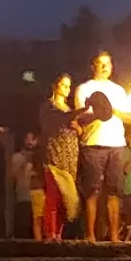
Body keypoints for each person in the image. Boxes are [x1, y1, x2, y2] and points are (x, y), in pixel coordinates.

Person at [75, 53, 131, 243]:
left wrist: (112, 110)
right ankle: (91, 234)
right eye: (100, 64)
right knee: (92, 190)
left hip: (116, 144)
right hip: (93, 143)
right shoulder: (84, 88)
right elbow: (80, 117)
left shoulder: (119, 90)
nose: (104, 67)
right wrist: (100, 112)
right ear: (93, 66)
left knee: (114, 191)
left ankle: (114, 235)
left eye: (107, 64)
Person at [39, 74, 80, 241]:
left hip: (70, 157)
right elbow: (50, 125)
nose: (66, 89)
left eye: (69, 86)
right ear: (55, 86)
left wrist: (78, 127)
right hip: (54, 156)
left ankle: (59, 234)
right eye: (63, 85)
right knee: (54, 196)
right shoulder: (49, 107)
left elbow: (78, 130)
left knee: (66, 198)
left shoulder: (69, 110)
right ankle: (50, 233)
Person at [10, 132, 39, 238]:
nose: (30, 142)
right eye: (27, 138)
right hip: (23, 198)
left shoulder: (42, 157)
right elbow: (11, 177)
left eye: (34, 138)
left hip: (38, 198)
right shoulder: (17, 157)